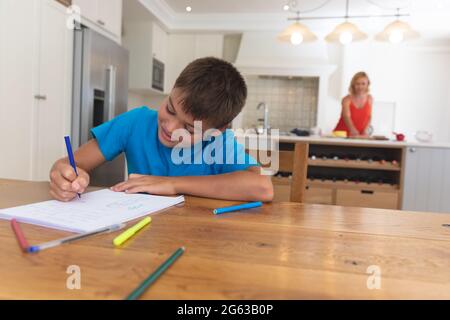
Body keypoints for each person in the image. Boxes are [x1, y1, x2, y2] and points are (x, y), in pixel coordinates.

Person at [49, 57, 273, 202]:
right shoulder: (135, 122)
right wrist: (65, 175)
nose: (170, 128)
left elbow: (263, 188)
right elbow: (71, 163)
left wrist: (172, 184)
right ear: (172, 90)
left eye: (188, 128)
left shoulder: (219, 142)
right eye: (170, 109)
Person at [334, 71, 373, 137]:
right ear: (353, 85)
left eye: (363, 84)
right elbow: (346, 117)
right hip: (342, 135)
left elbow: (369, 117)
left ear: (367, 84)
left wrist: (365, 131)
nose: (360, 87)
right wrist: (353, 131)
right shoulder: (346, 100)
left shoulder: (370, 99)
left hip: (359, 136)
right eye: (357, 84)